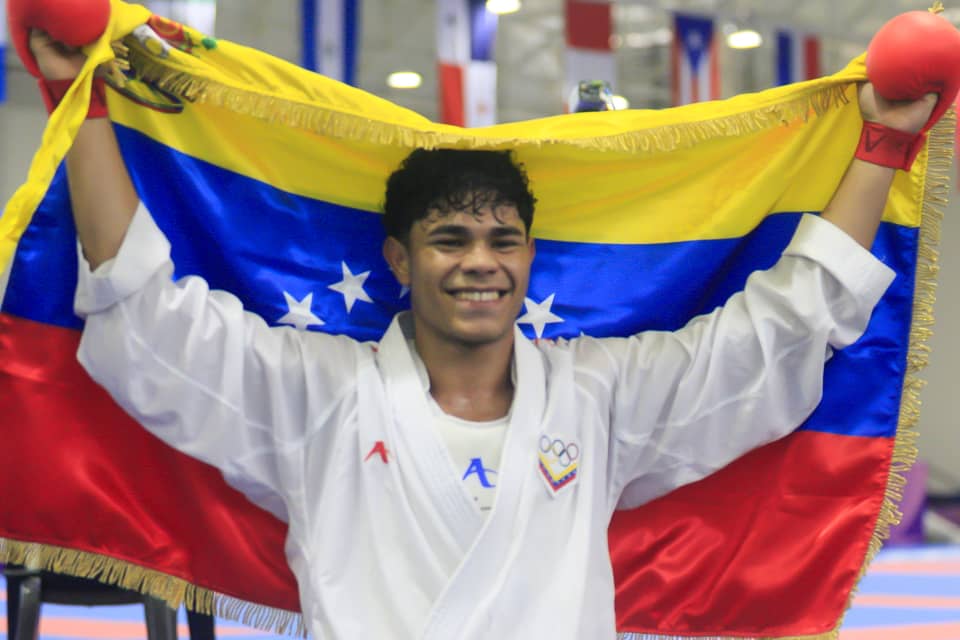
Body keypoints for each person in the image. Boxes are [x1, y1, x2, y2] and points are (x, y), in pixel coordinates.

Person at [27, 25, 938, 640]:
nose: (480, 263)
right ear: (398, 258)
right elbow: (148, 310)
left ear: (530, 258)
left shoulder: (596, 393)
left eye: (503, 241)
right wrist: (81, 103)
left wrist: (882, 149)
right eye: (449, 240)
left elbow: (774, 330)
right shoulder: (319, 393)